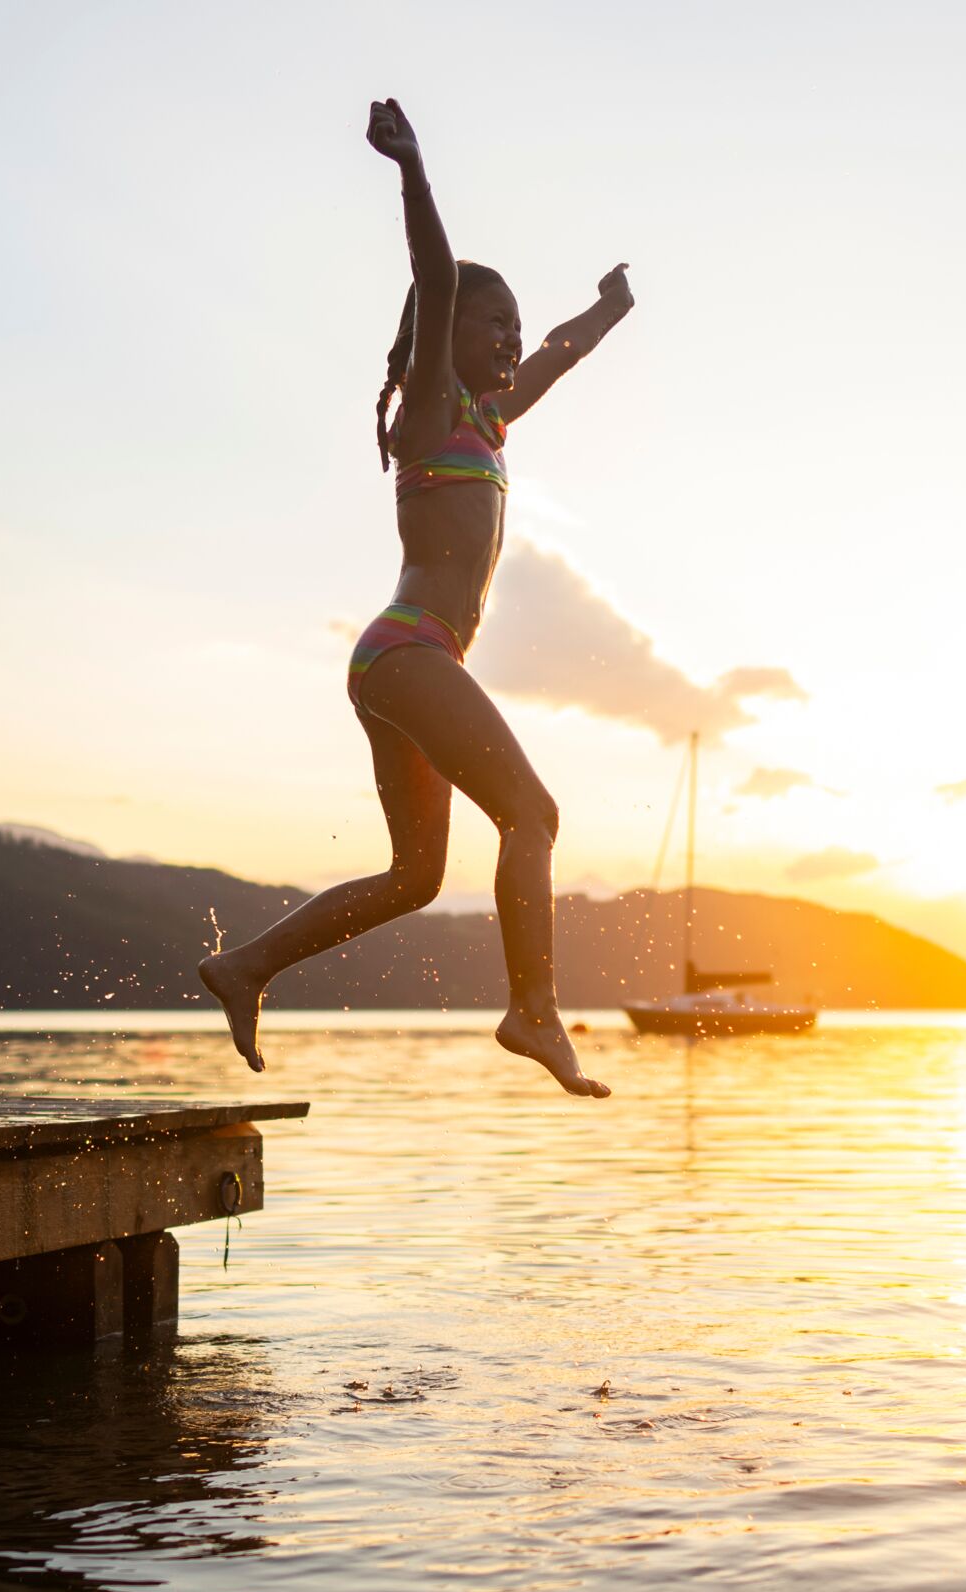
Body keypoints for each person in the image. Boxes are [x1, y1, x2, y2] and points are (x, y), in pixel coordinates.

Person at [199, 99, 631, 1098]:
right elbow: (436, 279)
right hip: (409, 654)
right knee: (534, 814)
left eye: (515, 326)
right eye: (497, 322)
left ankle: (246, 964)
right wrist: (413, 170)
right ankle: (533, 1011)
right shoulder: (433, 403)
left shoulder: (488, 420)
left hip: (400, 666)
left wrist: (606, 311)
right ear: (447, 336)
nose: (515, 338)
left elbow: (559, 353)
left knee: (417, 877)